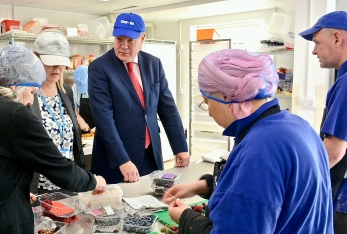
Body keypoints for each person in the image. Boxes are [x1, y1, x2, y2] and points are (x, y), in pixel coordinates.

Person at [162, 49, 333, 233]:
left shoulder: (261, 147)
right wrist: (204, 186)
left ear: (227, 97)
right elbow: (272, 192)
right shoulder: (298, 126)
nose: (209, 111)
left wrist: (187, 218)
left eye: (206, 101)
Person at [0, 46, 106, 234]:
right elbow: (59, 168)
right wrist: (93, 181)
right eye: (33, 92)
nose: (30, 101)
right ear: (15, 85)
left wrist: (13, 190)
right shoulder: (15, 114)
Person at [88, 12, 190, 184]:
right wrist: (122, 160)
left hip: (150, 154)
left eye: (130, 40)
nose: (124, 46)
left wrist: (180, 147)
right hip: (116, 159)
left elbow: (167, 108)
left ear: (142, 38)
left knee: (154, 203)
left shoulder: (153, 64)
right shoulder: (100, 68)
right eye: (119, 39)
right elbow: (103, 118)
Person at [299, 10, 347, 234]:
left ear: (337, 38)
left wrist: (296, 183)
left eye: (317, 42)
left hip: (342, 199)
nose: (314, 50)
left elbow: (333, 152)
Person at [30, 32, 88, 195]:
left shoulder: (66, 92)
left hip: (68, 182)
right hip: (37, 186)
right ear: (36, 59)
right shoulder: (27, 95)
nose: (57, 68)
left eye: (61, 63)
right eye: (51, 62)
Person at [72, 57, 95, 133]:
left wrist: (100, 126)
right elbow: (73, 109)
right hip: (85, 130)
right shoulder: (74, 87)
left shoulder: (101, 85)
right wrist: (81, 122)